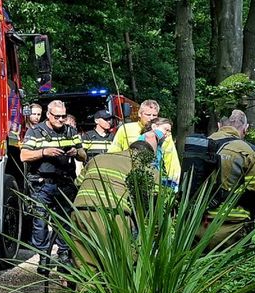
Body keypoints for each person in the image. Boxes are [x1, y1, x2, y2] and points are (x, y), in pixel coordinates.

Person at [70, 133, 160, 273]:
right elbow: (155, 198)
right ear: (147, 155)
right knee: (118, 266)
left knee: (85, 265)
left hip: (80, 210)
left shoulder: (99, 158)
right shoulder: (145, 166)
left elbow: (78, 183)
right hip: (112, 214)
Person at [21, 100, 86, 271]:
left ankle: (64, 255)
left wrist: (75, 152)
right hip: (43, 183)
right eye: (57, 116)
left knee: (64, 221)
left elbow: (83, 155)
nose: (61, 119)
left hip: (65, 183)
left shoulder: (70, 131)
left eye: (64, 116)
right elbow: (24, 155)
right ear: (48, 115)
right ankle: (44, 258)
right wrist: (44, 152)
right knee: (40, 221)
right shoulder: (35, 131)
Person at [200, 110, 255, 249]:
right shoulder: (249, 150)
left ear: (219, 125)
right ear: (245, 129)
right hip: (232, 229)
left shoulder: (199, 146)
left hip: (196, 227)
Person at [110, 99, 181, 185]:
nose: (151, 118)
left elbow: (171, 159)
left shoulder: (164, 133)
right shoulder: (125, 129)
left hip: (152, 176)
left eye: (154, 115)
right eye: (148, 114)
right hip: (127, 174)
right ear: (139, 114)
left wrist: (174, 182)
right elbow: (113, 153)